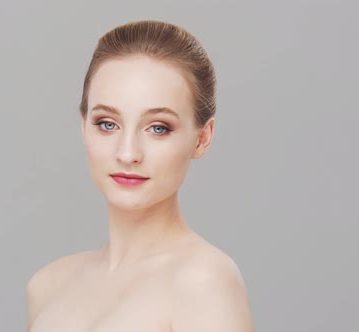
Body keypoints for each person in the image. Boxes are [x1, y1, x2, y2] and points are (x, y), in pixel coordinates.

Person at [26, 20, 254, 332]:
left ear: (202, 137)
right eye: (107, 124)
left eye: (158, 128)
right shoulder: (47, 285)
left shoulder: (203, 282)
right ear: (83, 126)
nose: (128, 153)